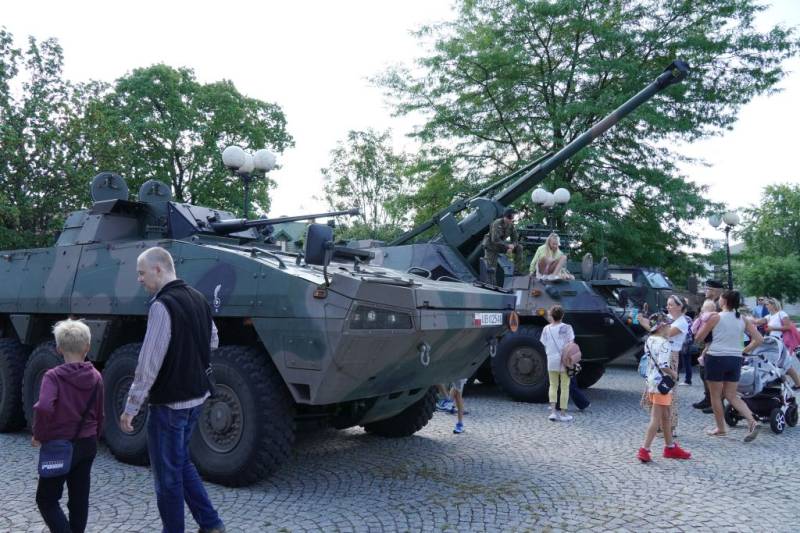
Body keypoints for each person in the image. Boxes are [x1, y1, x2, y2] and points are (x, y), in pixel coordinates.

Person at [120, 247, 225, 533]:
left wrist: (131, 408)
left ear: (158, 269)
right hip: (196, 398)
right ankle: (211, 524)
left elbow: (148, 364)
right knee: (181, 462)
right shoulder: (199, 298)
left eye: (142, 273)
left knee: (167, 477)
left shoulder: (161, 305)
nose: (139, 279)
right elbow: (213, 341)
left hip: (170, 405)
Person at [33, 319, 104, 533]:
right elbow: (100, 413)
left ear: (59, 348)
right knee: (79, 499)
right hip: (87, 443)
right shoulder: (96, 377)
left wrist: (39, 434)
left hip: (59, 445)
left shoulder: (53, 377)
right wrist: (95, 437)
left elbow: (44, 407)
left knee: (46, 499)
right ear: (87, 347)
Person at [694, 289, 762, 441]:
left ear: (724, 301)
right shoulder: (743, 319)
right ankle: (752, 421)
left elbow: (698, 338)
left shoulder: (716, 317)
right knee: (731, 395)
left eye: (720, 298)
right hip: (735, 359)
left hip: (716, 357)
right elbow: (759, 339)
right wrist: (743, 351)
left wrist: (701, 321)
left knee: (716, 396)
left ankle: (721, 428)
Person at [637, 313, 691, 462]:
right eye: (668, 325)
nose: (670, 328)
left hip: (651, 382)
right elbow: (664, 365)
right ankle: (644, 449)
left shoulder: (649, 340)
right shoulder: (665, 343)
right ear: (661, 327)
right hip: (662, 385)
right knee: (656, 419)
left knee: (666, 416)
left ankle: (670, 447)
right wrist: (674, 374)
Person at [637, 295, 688, 434]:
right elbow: (655, 326)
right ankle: (659, 424)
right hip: (659, 354)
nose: (668, 307)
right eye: (667, 304)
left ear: (680, 306)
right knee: (655, 388)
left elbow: (662, 332)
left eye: (671, 305)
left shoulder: (682, 322)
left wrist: (644, 322)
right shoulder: (668, 318)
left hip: (671, 356)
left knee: (667, 389)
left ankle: (670, 426)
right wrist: (644, 318)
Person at [750, 298, 800, 388]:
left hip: (782, 342)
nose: (766, 306)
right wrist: (747, 319)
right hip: (774, 342)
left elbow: (788, 326)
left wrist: (773, 328)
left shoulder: (781, 314)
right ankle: (785, 383)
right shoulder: (769, 316)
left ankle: (797, 383)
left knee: (785, 364)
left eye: (767, 304)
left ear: (773, 305)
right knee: (776, 364)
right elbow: (758, 321)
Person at [692, 280, 724, 412]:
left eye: (708, 289)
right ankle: (708, 398)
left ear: (715, 290)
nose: (705, 291)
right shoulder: (709, 302)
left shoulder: (720, 304)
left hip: (714, 342)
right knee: (704, 372)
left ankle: (716, 402)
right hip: (706, 341)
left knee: (712, 374)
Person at [541, 305, 574, 422]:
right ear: (562, 315)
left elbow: (544, 343)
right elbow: (571, 344)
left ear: (551, 315)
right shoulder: (567, 327)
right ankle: (563, 414)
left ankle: (553, 413)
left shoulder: (546, 329)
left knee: (553, 385)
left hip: (551, 360)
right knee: (565, 387)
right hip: (565, 361)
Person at [482, 207, 524, 278]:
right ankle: (490, 282)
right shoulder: (497, 223)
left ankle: (517, 271)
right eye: (511, 216)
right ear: (506, 216)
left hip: (501, 246)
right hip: (491, 246)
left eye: (513, 216)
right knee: (491, 268)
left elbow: (515, 239)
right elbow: (495, 239)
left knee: (519, 247)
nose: (512, 218)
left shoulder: (511, 225)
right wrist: (507, 246)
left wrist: (513, 246)